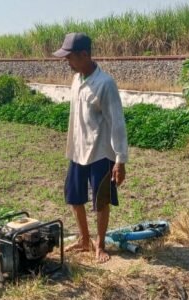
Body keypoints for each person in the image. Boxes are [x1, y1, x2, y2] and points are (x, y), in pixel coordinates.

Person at [53, 33, 128, 263]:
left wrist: (120, 160)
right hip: (77, 150)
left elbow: (117, 122)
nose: (67, 62)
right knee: (75, 197)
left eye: (70, 57)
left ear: (84, 55)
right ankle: (85, 239)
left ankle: (100, 245)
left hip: (99, 152)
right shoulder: (77, 79)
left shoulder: (105, 84)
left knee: (101, 201)